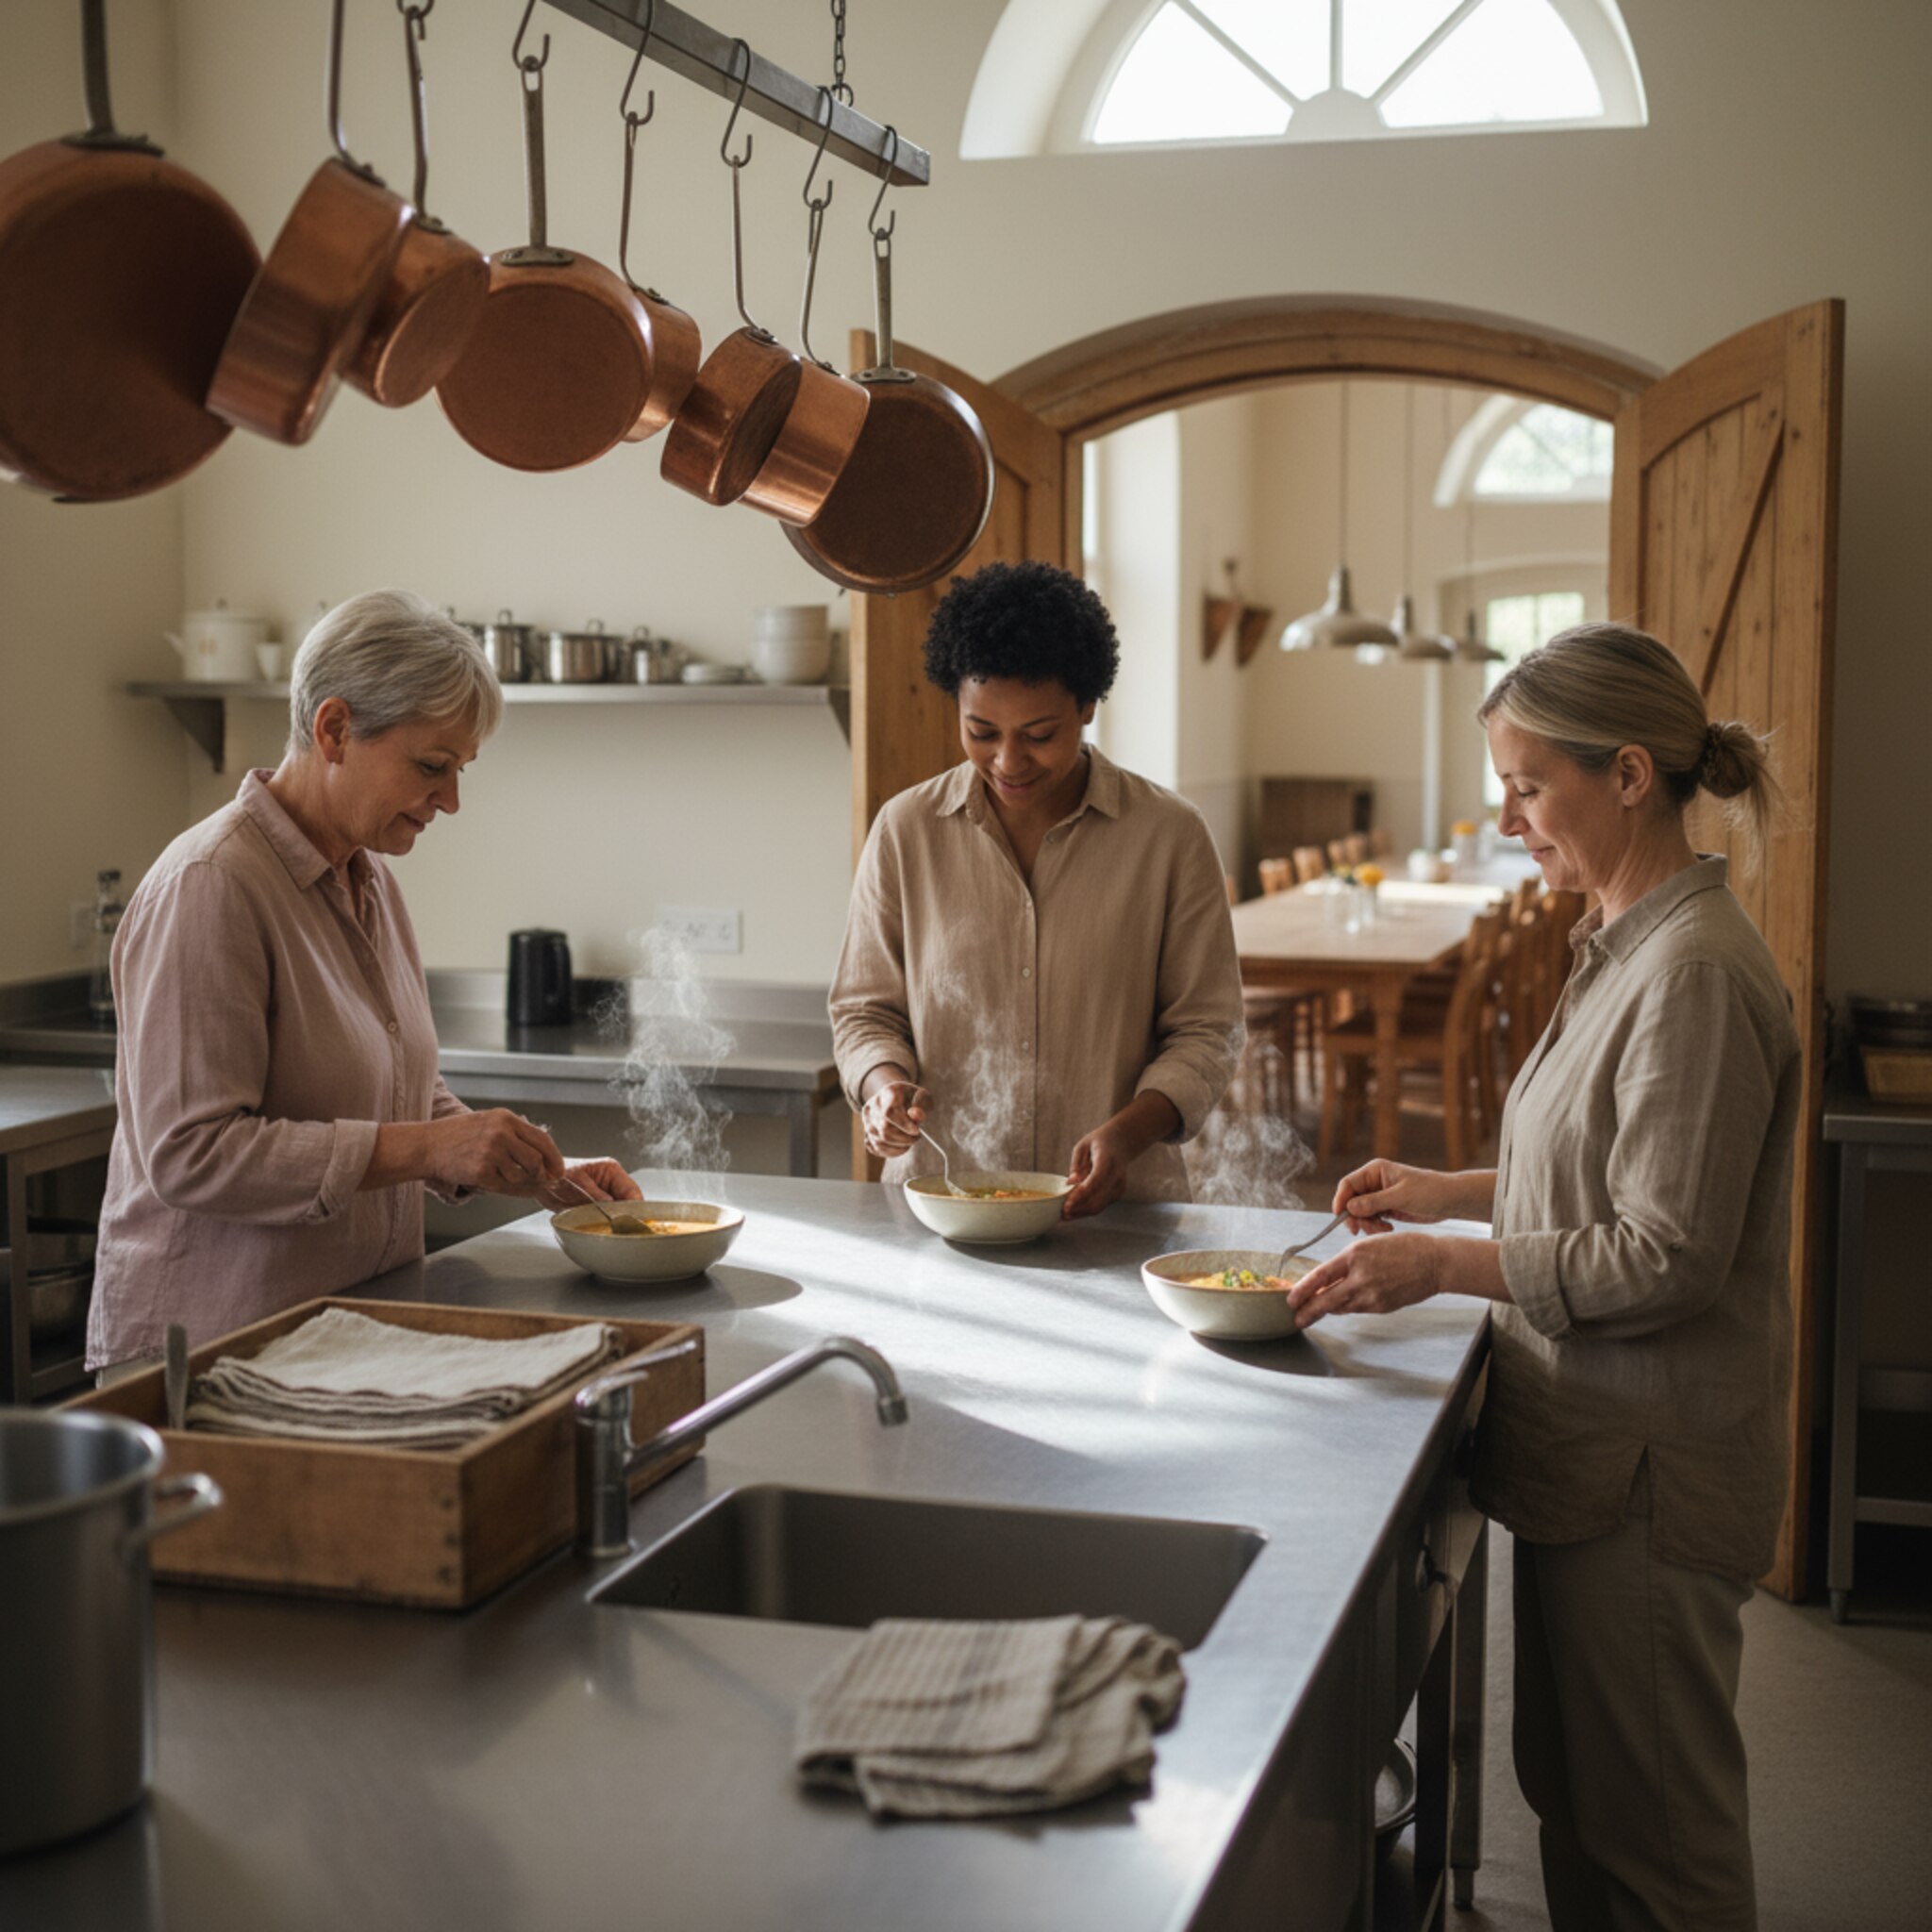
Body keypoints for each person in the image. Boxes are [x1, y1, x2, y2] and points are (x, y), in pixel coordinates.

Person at [1286, 623, 1797, 1931]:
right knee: (1584, 1799)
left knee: (1657, 1845)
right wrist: (1447, 1188)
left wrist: (1441, 1263)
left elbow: (1664, 1252)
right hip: (1598, 1452)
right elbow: (1596, 1170)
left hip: (1649, 1474)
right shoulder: (1623, 935)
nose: (1506, 817)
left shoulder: (1691, 972)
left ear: (1626, 775)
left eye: (1526, 786)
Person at [87, 591, 639, 1376]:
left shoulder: (368, 878)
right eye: (432, 767)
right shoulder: (212, 884)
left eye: (459, 771)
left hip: (335, 1337)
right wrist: (434, 1146)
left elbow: (399, 1091)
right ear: (335, 730)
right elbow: (192, 1154)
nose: (451, 800)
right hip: (215, 1354)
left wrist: (532, 1169)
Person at [831, 560, 1243, 1217]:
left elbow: (1207, 1029)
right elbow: (864, 1011)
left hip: (1116, 1213)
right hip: (940, 1210)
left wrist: (1128, 1133)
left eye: (1040, 735)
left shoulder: (1169, 836)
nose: (1008, 761)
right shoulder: (906, 830)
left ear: (1088, 706)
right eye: (981, 732)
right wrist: (883, 1087)